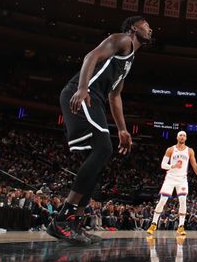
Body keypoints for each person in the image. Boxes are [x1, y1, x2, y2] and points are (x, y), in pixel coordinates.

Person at [47, 16, 152, 244]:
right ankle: (62, 219)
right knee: (103, 149)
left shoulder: (128, 60)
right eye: (146, 26)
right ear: (134, 29)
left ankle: (75, 222)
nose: (150, 29)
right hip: (81, 93)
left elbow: (115, 96)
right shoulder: (122, 40)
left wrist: (123, 130)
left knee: (98, 163)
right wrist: (83, 88)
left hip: (96, 100)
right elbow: (90, 56)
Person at [147, 131, 197, 236]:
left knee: (183, 201)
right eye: (180, 135)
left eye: (184, 135)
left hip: (182, 179)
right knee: (162, 200)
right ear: (177, 137)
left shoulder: (190, 151)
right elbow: (163, 165)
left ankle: (181, 226)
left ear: (186, 138)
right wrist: (172, 166)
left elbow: (195, 165)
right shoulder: (170, 149)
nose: (182, 137)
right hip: (170, 178)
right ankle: (153, 223)